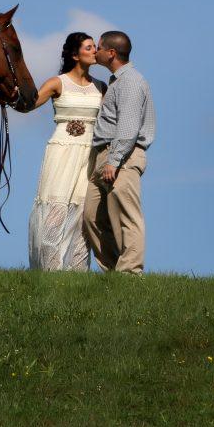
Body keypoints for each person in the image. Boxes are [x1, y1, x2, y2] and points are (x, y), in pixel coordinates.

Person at [24, 33, 106, 270]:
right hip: (61, 152)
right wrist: (6, 99)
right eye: (89, 47)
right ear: (74, 54)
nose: (94, 51)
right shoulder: (56, 82)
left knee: (82, 214)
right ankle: (49, 271)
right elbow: (29, 105)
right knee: (55, 211)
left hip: (89, 154)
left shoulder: (101, 87)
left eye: (95, 47)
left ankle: (76, 276)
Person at [82, 31, 155, 274]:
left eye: (99, 47)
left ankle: (130, 274)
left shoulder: (131, 81)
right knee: (92, 217)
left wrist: (114, 160)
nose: (96, 51)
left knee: (126, 218)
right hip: (105, 155)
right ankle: (115, 274)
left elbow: (128, 126)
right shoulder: (116, 81)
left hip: (121, 156)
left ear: (111, 53)